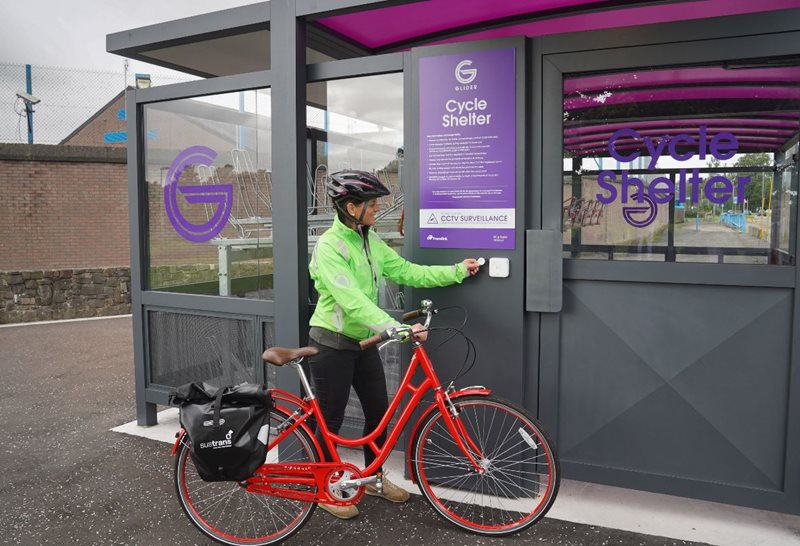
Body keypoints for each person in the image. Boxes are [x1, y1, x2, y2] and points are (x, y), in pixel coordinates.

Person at [307, 170, 481, 520]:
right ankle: (321, 487)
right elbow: (352, 300)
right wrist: (395, 328)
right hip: (331, 344)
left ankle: (371, 479)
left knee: (377, 413)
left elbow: (407, 271)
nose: (377, 209)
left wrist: (457, 271)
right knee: (330, 419)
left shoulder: (370, 242)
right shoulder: (329, 246)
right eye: (372, 204)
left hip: (364, 342)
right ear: (351, 208)